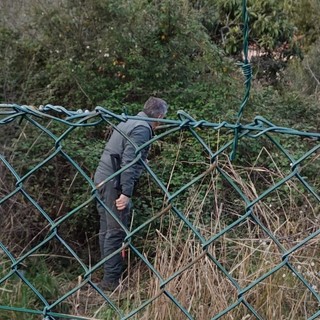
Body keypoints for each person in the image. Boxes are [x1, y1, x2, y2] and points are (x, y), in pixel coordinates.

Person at [94, 97, 168, 291]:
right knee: (116, 230)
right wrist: (126, 193)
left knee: (106, 227)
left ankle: (107, 274)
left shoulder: (129, 120)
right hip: (114, 182)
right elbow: (128, 163)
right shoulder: (142, 129)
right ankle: (111, 281)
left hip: (102, 177)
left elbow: (127, 153)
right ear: (159, 116)